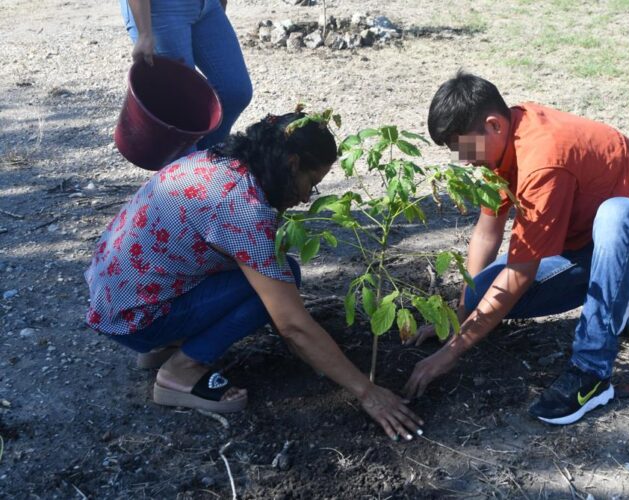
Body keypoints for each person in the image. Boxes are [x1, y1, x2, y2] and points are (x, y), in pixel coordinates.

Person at [85, 112, 424, 441]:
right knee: (280, 279)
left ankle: (163, 344)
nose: (307, 197)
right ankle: (179, 370)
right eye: (312, 183)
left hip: (117, 298)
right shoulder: (244, 208)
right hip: (137, 319)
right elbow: (292, 325)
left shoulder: (218, 161)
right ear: (292, 164)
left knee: (266, 275)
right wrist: (366, 391)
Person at [403, 71, 629, 425]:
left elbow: (520, 274)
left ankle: (591, 373)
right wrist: (459, 316)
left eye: (463, 146)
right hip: (588, 245)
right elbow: (487, 232)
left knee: (615, 215)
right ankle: (620, 284)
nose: (464, 159)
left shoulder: (543, 158)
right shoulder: (500, 147)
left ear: (493, 124)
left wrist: (451, 353)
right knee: (480, 297)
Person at [119, 0, 252, 150]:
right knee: (179, 112)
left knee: (235, 91)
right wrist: (144, 34)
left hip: (207, 6)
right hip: (159, 10)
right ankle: (187, 167)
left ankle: (204, 159)